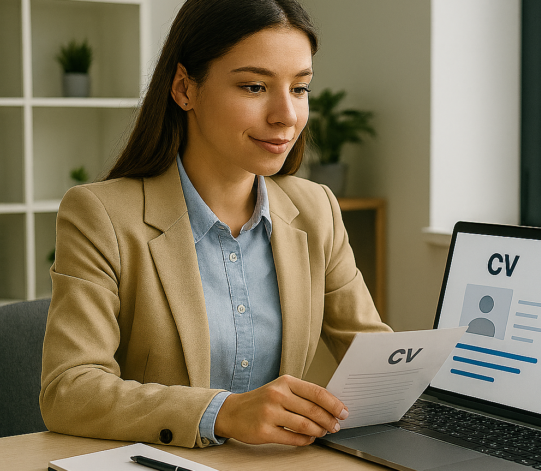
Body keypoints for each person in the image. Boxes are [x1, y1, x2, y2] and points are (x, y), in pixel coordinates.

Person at [39, 0, 391, 449]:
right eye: (254, 87)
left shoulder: (316, 207)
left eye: (300, 88)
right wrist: (222, 412)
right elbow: (69, 390)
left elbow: (376, 358)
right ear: (185, 89)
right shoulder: (100, 215)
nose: (286, 115)